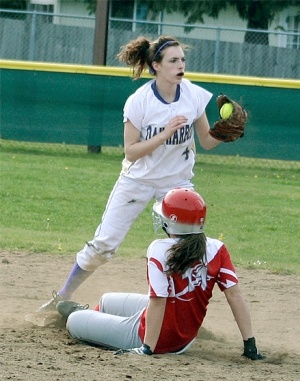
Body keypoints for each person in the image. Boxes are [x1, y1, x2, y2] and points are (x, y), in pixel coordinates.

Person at [37, 35, 242, 313]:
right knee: (103, 245)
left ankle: (179, 311)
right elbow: (131, 152)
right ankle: (62, 296)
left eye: (182, 59)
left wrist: (226, 133)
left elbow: (206, 141)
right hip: (138, 181)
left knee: (189, 247)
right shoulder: (140, 101)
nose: (180, 64)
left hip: (177, 184)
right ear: (156, 65)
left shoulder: (193, 94)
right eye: (173, 60)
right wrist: (166, 133)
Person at [56, 188, 264, 360]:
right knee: (106, 300)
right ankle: (101, 320)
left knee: (74, 321)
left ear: (171, 222)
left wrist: (147, 348)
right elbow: (234, 296)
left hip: (151, 337)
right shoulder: (217, 248)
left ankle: (86, 318)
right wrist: (250, 345)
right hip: (185, 337)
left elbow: (158, 300)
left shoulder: (160, 249)